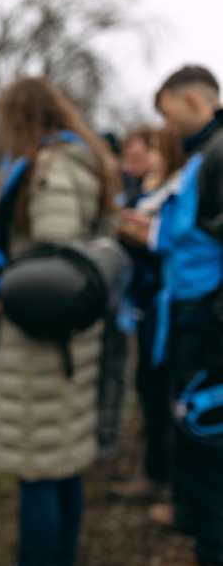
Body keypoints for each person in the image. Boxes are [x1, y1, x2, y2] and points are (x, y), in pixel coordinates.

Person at [0, 77, 119, 566]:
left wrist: (5, 295)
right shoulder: (80, 160)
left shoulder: (51, 167)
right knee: (63, 463)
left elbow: (53, 264)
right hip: (68, 341)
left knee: (40, 469)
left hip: (42, 344)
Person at [120, 65, 223, 566]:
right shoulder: (203, 157)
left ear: (192, 100)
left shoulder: (220, 154)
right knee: (193, 435)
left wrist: (214, 324)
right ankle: (201, 527)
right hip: (187, 317)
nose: (166, 124)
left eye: (167, 111)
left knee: (210, 439)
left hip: (210, 328)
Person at [112, 126, 185, 503]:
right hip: (147, 305)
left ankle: (166, 481)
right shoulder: (149, 191)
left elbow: (169, 245)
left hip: (165, 307)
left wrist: (135, 234)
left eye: (154, 150)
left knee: (162, 392)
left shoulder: (176, 191)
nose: (148, 159)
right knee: (149, 388)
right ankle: (156, 471)